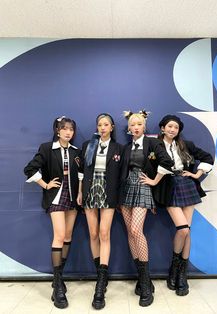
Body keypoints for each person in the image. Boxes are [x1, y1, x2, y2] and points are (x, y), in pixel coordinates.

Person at [141, 114, 214, 296]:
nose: (173, 129)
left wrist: (197, 174)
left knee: (186, 230)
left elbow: (206, 157)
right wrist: (151, 189)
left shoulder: (186, 144)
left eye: (176, 127)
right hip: (168, 188)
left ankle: (181, 273)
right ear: (162, 128)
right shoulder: (154, 145)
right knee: (183, 229)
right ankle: (175, 266)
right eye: (170, 126)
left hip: (187, 186)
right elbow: (149, 169)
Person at [24, 116, 83, 309]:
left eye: (71, 129)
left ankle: (58, 279)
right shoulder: (47, 148)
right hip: (56, 198)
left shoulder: (76, 151)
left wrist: (81, 193)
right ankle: (58, 285)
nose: (68, 132)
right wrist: (45, 184)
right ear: (57, 131)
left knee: (67, 236)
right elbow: (30, 169)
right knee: (58, 236)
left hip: (73, 198)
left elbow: (81, 175)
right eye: (64, 129)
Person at [120, 110, 174, 307]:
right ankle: (145, 280)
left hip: (143, 186)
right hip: (125, 190)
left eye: (139, 124)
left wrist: (154, 181)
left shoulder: (152, 143)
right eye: (132, 125)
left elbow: (167, 162)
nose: (135, 127)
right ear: (129, 128)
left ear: (144, 127)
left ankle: (144, 280)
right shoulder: (125, 148)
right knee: (130, 233)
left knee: (136, 230)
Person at [81, 113, 123, 310]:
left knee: (105, 233)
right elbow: (82, 173)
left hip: (109, 192)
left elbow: (121, 176)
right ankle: (100, 274)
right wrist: (81, 192)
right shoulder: (88, 145)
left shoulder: (118, 149)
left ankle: (101, 283)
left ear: (112, 127)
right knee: (93, 233)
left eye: (106, 124)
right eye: (100, 124)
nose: (102, 127)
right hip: (90, 190)